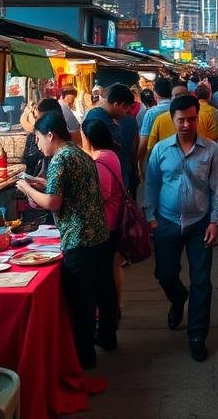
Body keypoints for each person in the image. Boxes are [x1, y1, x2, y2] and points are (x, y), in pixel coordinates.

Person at [16, 111, 112, 368]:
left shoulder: (60, 159)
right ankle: (106, 340)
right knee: (99, 293)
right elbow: (66, 187)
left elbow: (53, 202)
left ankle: (83, 359)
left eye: (37, 138)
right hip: (99, 235)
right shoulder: (78, 152)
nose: (37, 144)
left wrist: (25, 187)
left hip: (79, 239)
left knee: (81, 303)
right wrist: (38, 181)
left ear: (50, 135)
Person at [145, 95, 218, 362]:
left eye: (192, 119)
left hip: (200, 223)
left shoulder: (211, 150)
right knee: (165, 274)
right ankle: (178, 298)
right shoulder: (160, 150)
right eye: (182, 120)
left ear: (197, 117)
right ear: (173, 120)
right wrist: (150, 216)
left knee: (201, 281)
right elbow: (152, 183)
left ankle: (197, 335)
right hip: (166, 222)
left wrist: (215, 221)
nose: (187, 125)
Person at [83, 117, 125, 350]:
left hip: (106, 226)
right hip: (111, 224)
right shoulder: (111, 155)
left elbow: (103, 193)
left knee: (103, 283)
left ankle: (107, 331)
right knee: (107, 279)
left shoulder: (101, 160)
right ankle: (109, 327)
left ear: (89, 139)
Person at [85, 83, 141, 193]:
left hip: (117, 178)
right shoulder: (95, 118)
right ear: (116, 104)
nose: (127, 112)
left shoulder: (98, 116)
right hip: (106, 181)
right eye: (126, 107)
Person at [138, 77, 175, 169]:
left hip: (157, 162)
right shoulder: (177, 108)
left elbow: (144, 143)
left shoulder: (151, 113)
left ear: (155, 95)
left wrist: (139, 165)